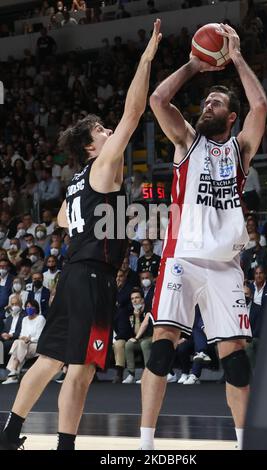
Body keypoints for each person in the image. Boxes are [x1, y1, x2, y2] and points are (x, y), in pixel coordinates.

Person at [0, 19, 162, 451]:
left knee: (48, 358)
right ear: (93, 148)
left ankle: (11, 431)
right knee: (83, 366)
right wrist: (146, 58)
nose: (112, 134)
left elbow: (58, 224)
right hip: (92, 275)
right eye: (103, 133)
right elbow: (133, 112)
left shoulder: (76, 182)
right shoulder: (103, 167)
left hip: (72, 274)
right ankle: (66, 445)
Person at [139, 23, 267, 450]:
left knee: (237, 364)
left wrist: (237, 57)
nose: (208, 102)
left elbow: (261, 105)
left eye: (217, 101)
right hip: (183, 257)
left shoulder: (239, 149)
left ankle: (243, 442)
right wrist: (196, 65)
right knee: (161, 351)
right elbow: (157, 99)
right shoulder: (186, 141)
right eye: (207, 99)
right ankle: (146, 445)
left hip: (226, 265)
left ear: (231, 117)